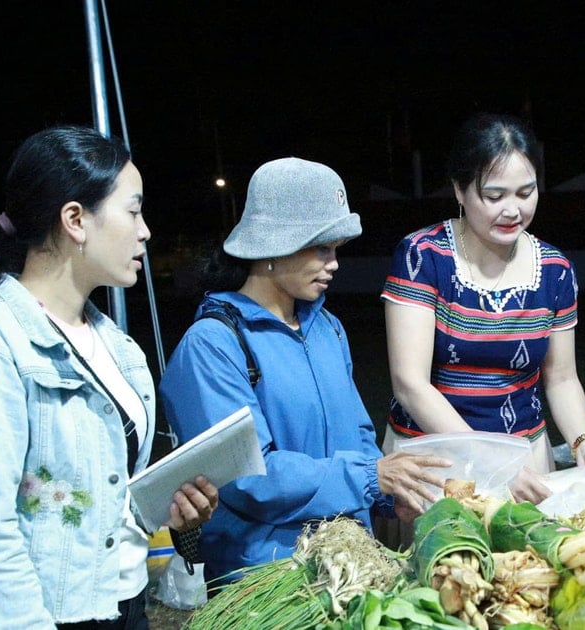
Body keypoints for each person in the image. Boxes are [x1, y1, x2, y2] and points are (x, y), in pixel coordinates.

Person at [0, 125, 218, 629]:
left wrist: (163, 509)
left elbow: (99, 499)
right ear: (75, 219)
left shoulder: (117, 347)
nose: (145, 231)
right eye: (133, 211)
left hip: (120, 604)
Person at [159, 157, 449, 585]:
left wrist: (389, 498)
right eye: (321, 248)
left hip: (348, 570)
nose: (334, 263)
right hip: (267, 583)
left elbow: (359, 435)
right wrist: (370, 477)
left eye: (336, 249)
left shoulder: (328, 328)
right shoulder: (212, 344)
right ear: (272, 246)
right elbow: (248, 477)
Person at [381, 112, 585, 505]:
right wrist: (492, 464)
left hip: (526, 457)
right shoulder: (424, 256)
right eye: (494, 195)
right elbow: (410, 385)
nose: (513, 210)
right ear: (459, 190)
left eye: (526, 193)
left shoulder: (554, 270)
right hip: (438, 464)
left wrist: (582, 442)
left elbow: (561, 378)